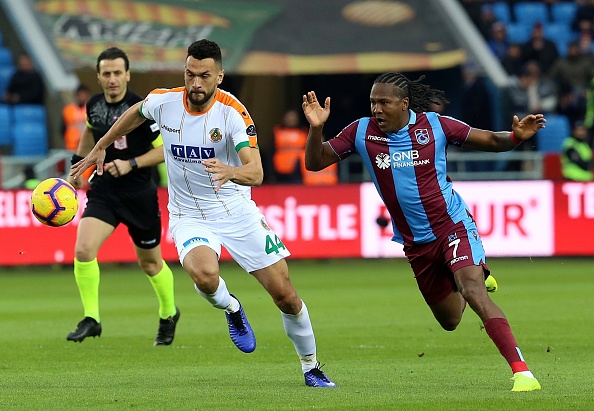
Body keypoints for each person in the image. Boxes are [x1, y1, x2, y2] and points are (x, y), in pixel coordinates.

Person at [70, 39, 336, 388]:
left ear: (219, 76)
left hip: (236, 210)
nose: (196, 83)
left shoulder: (233, 113)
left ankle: (311, 366)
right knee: (204, 274)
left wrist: (230, 171)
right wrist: (100, 146)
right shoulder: (164, 101)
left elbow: (255, 172)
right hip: (188, 214)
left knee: (285, 294)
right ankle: (232, 309)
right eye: (190, 74)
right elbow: (134, 113)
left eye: (204, 76)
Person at [301, 72, 545, 392]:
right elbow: (315, 163)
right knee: (450, 321)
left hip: (452, 226)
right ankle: (473, 271)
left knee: (473, 293)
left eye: (384, 102)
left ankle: (522, 373)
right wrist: (316, 128)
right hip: (416, 245)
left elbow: (489, 140)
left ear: (403, 104)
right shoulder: (361, 132)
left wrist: (514, 137)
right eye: (373, 102)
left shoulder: (435, 125)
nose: (376, 109)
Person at [65, 47, 180, 346]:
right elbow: (90, 132)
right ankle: (92, 318)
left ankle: (169, 313)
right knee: (83, 251)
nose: (112, 79)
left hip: (139, 194)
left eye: (118, 73)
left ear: (128, 74)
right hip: (104, 192)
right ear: (99, 76)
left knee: (150, 264)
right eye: (106, 73)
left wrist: (131, 163)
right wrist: (79, 164)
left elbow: (165, 149)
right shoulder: (94, 105)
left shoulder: (142, 109)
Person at [272, 109, 308, 184]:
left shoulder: (304, 132)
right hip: (279, 169)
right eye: (289, 117)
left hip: (297, 170)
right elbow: (271, 151)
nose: (291, 120)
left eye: (293, 118)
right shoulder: (277, 132)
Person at [63, 84, 91, 151]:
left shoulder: (92, 109)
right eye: (80, 95)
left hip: (87, 147)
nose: (81, 97)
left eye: (84, 95)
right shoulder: (68, 110)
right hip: (71, 146)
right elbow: (63, 128)